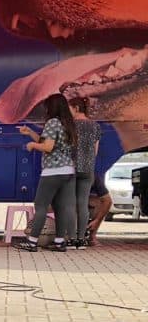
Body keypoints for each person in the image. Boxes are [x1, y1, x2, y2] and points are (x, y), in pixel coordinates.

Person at [14, 93, 77, 252]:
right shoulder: (68, 124)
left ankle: (32, 241)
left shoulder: (52, 122)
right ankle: (59, 241)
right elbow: (48, 142)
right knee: (60, 207)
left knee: (41, 206)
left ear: (52, 107)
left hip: (52, 171)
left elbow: (48, 147)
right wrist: (30, 133)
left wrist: (32, 145)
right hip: (68, 171)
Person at [70, 96, 101, 248]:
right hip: (88, 169)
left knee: (69, 203)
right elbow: (95, 151)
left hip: (72, 168)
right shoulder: (95, 126)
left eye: (70, 108)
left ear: (76, 108)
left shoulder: (70, 125)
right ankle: (81, 239)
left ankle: (70, 237)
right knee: (82, 204)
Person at [88, 173, 112, 245]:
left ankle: (92, 235)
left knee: (99, 202)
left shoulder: (93, 177)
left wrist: (97, 220)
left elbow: (108, 200)